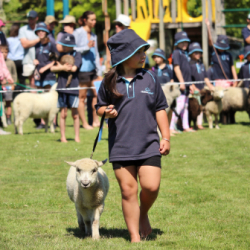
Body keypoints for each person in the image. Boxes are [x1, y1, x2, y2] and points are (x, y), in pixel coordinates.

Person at [95, 29, 170, 242]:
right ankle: (135, 238)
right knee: (128, 191)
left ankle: (143, 212)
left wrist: (165, 137)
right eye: (138, 51)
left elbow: (160, 108)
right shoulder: (109, 80)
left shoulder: (150, 78)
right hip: (121, 145)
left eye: (144, 50)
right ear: (125, 55)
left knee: (151, 186)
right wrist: (105, 111)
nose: (144, 55)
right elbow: (98, 107)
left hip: (148, 143)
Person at [73, 11, 102, 129]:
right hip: (82, 69)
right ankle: (84, 123)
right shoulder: (78, 32)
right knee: (82, 97)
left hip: (93, 70)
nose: (94, 22)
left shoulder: (94, 35)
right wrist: (86, 47)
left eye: (95, 20)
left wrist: (99, 69)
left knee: (97, 94)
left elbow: (96, 53)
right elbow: (73, 49)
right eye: (92, 20)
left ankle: (96, 120)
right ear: (85, 20)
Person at [51, 33, 81, 143]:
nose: (64, 47)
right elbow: (53, 68)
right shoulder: (59, 55)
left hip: (73, 87)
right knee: (63, 113)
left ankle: (77, 137)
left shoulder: (77, 54)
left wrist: (61, 67)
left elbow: (74, 68)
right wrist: (62, 67)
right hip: (62, 87)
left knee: (75, 114)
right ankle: (63, 137)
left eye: (66, 45)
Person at [169, 31, 195, 133]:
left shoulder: (185, 53)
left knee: (185, 107)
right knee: (178, 107)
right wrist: (182, 82)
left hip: (186, 85)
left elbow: (187, 71)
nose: (185, 44)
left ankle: (186, 126)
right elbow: (176, 68)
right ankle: (171, 127)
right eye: (182, 42)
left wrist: (191, 84)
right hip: (180, 86)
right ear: (177, 43)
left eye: (186, 42)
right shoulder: (176, 53)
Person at [188, 42, 214, 129]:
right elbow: (188, 78)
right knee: (192, 108)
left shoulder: (201, 64)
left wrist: (211, 87)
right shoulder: (189, 64)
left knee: (200, 108)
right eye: (196, 52)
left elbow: (205, 77)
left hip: (201, 89)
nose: (198, 54)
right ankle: (190, 124)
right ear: (191, 53)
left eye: (199, 52)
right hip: (193, 90)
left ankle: (199, 124)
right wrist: (194, 87)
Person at [205, 19, 237, 88]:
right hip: (217, 81)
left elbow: (232, 67)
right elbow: (210, 40)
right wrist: (208, 26)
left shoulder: (229, 55)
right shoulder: (214, 51)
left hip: (228, 81)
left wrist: (236, 80)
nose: (222, 49)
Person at [18, 10, 40, 87]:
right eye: (29, 18)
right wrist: (38, 40)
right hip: (28, 60)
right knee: (32, 82)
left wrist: (30, 42)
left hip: (40, 59)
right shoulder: (23, 29)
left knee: (40, 82)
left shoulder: (40, 28)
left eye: (32, 18)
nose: (30, 20)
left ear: (36, 18)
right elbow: (24, 44)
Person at [0, 44, 17, 125]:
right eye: (2, 52)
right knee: (1, 103)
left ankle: (8, 118)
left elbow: (14, 74)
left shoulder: (11, 62)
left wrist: (13, 84)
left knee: (8, 103)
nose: (4, 54)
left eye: (5, 52)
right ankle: (2, 119)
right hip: (1, 85)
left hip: (8, 86)